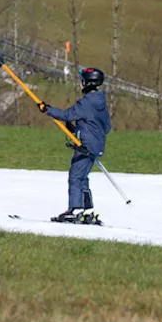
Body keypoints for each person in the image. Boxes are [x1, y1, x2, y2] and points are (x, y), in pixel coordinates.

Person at [39, 67, 110, 225]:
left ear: (87, 82)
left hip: (85, 146)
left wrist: (46, 109)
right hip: (97, 145)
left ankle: (75, 209)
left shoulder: (86, 102)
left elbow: (67, 115)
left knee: (75, 177)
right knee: (83, 177)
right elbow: (105, 127)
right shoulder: (101, 102)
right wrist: (78, 130)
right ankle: (87, 209)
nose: (81, 84)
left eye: (82, 81)